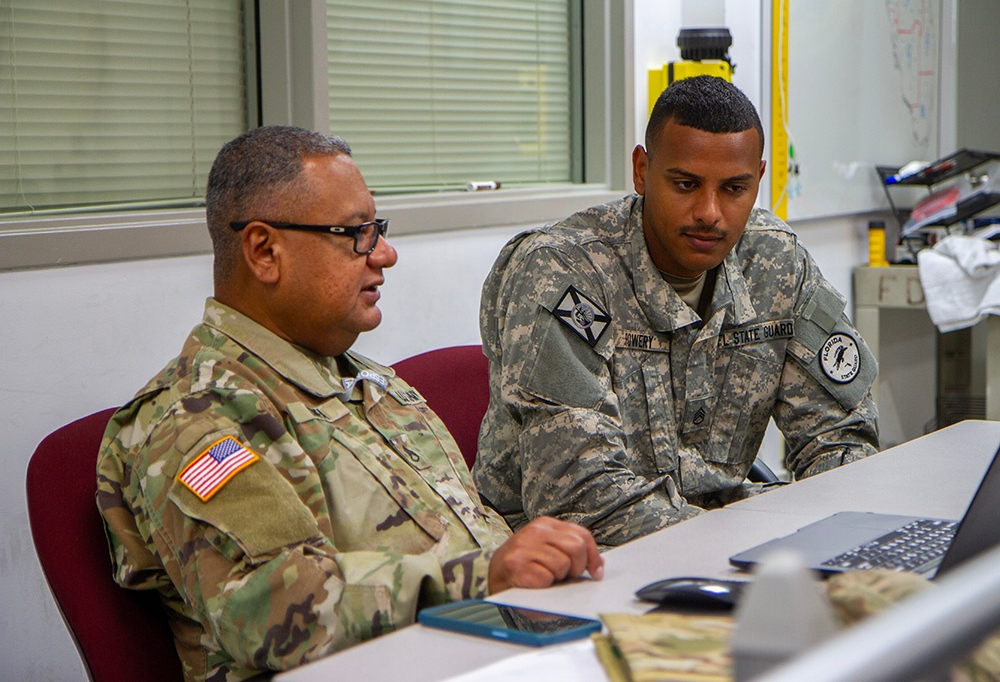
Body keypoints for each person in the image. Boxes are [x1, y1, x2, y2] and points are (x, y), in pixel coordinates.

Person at [96, 126, 603, 682]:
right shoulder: (196, 419)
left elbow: (473, 538)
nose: (384, 253)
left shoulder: (366, 381)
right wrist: (484, 577)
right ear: (265, 251)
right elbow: (273, 610)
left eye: (377, 230)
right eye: (356, 234)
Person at [473, 75, 880, 548]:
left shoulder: (775, 262)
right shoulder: (564, 272)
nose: (709, 211)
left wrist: (819, 539)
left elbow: (842, 437)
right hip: (569, 563)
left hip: (721, 545)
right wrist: (749, 539)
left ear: (759, 179)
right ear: (642, 170)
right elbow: (580, 499)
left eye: (734, 188)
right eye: (686, 184)